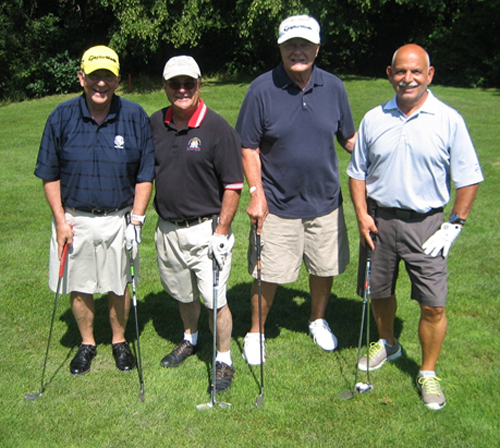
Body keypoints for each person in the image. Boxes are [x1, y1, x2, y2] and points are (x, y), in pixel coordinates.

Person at [347, 44, 484, 410]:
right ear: (390, 74)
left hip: (427, 226)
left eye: (416, 72)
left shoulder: (448, 119)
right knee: (378, 292)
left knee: (433, 305)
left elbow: (468, 178)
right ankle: (389, 343)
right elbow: (357, 173)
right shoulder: (374, 118)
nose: (408, 78)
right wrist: (361, 215)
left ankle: (426, 372)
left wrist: (455, 224)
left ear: (430, 75)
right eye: (400, 71)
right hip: (378, 222)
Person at [235, 15, 356, 365]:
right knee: (267, 272)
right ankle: (256, 332)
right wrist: (256, 192)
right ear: (280, 48)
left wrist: (381, 154)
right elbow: (248, 146)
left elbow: (348, 138)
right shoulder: (261, 89)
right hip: (277, 204)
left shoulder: (334, 87)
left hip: (325, 202)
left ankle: (317, 319)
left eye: (304, 44)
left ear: (317, 49)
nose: (297, 51)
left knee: (324, 267)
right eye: (290, 45)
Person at [34, 45, 155, 375]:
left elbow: (145, 174)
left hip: (120, 218)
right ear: (81, 78)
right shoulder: (60, 116)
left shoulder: (134, 116)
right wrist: (60, 221)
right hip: (75, 218)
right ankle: (87, 342)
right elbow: (49, 174)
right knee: (80, 285)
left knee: (119, 285)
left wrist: (137, 221)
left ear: (118, 80)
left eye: (108, 76)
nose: (101, 83)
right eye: (94, 76)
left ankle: (119, 340)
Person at [150, 56, 243, 393]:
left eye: (189, 83)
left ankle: (224, 359)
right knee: (182, 293)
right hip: (168, 229)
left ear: (199, 84)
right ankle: (190, 339)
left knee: (215, 299)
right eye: (175, 84)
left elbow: (233, 185)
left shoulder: (218, 128)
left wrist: (221, 232)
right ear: (165, 87)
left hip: (207, 231)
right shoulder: (155, 124)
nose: (182, 90)